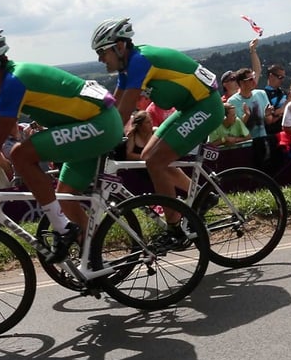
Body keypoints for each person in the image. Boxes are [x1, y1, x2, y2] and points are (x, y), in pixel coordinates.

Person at [0, 29, 124, 262]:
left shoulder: (15, 81)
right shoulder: (12, 80)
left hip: (101, 125)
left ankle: (65, 230)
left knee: (21, 154)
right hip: (96, 123)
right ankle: (94, 261)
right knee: (64, 197)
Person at [92, 18, 224, 229]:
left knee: (156, 162)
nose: (99, 59)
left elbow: (125, 111)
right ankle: (202, 197)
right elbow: (115, 107)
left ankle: (174, 225)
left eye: (101, 52)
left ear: (118, 47)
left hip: (207, 106)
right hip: (189, 108)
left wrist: (103, 140)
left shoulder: (140, 61)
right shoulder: (127, 66)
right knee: (147, 156)